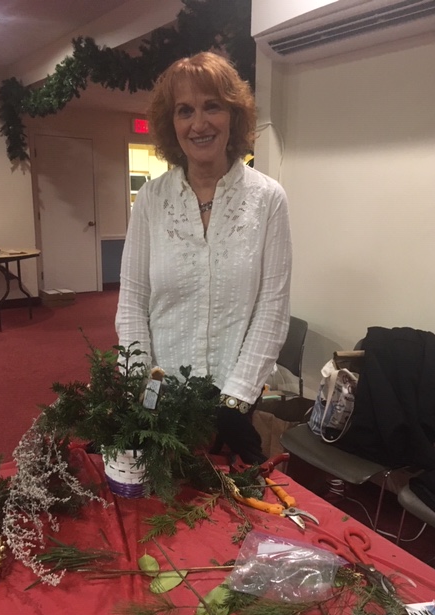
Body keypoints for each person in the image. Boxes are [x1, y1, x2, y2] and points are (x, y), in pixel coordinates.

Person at [116, 51, 292, 463]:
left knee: (234, 499)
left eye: (212, 106)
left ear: (233, 115)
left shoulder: (268, 199)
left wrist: (236, 400)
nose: (199, 123)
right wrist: (140, 385)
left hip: (235, 400)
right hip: (160, 398)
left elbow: (272, 309)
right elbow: (133, 301)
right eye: (185, 110)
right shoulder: (151, 200)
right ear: (171, 124)